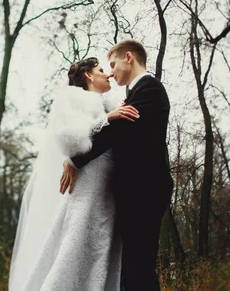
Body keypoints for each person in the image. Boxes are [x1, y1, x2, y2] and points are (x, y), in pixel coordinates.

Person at [9, 57, 139, 291]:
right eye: (101, 70)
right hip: (87, 181)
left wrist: (113, 115)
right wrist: (106, 120)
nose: (108, 74)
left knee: (101, 248)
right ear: (89, 75)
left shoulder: (109, 105)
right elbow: (69, 138)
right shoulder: (72, 98)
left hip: (109, 186)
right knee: (74, 243)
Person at [60, 40, 174, 291]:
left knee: (139, 267)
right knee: (133, 267)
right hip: (133, 193)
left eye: (112, 64)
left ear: (129, 58)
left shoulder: (149, 89)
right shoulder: (133, 95)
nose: (110, 71)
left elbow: (117, 130)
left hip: (145, 191)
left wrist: (75, 160)